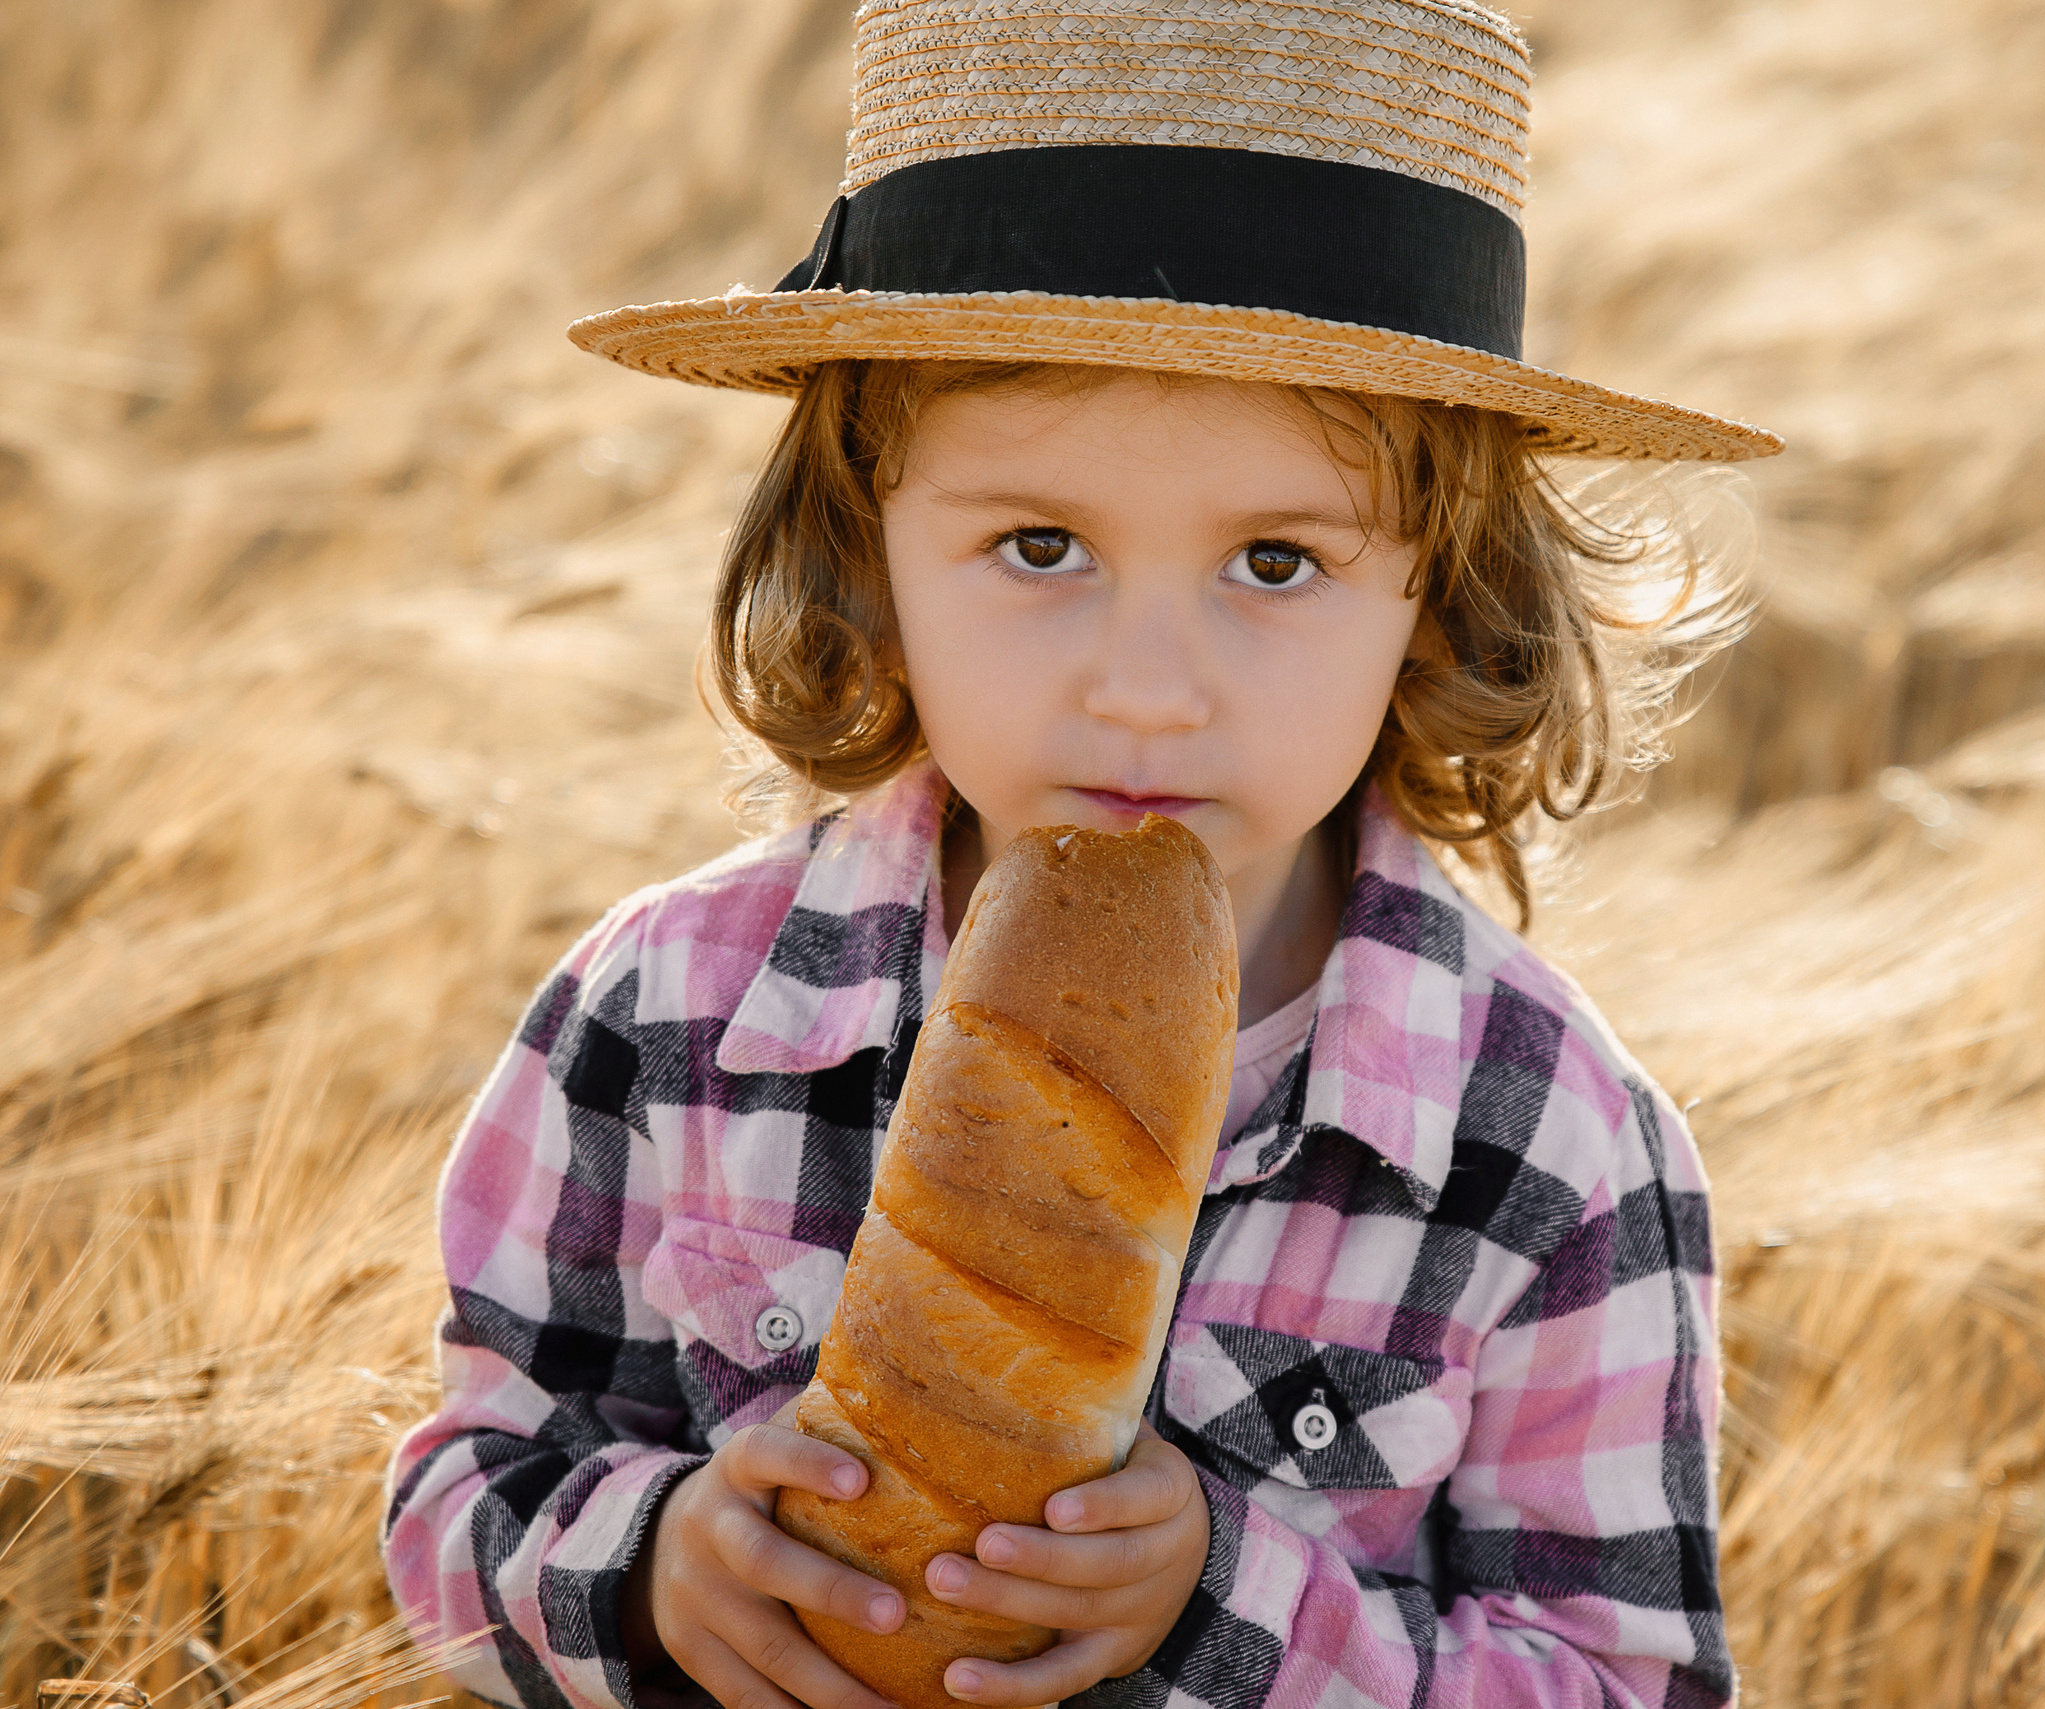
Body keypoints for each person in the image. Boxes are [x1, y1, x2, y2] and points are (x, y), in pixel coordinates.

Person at [382, 4, 1781, 1708]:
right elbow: (471, 1482)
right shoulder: (665, 1013)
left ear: (1438, 590)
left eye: (1276, 561)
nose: (1146, 688)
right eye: (1039, 544)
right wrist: (654, 1570)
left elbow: (1629, 1681)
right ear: (863, 549)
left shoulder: (1548, 1140)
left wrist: (1234, 1607)